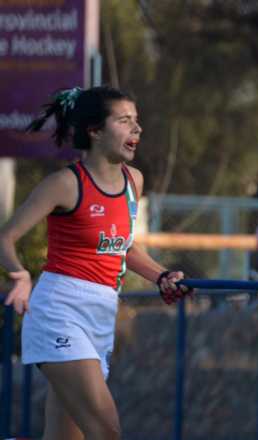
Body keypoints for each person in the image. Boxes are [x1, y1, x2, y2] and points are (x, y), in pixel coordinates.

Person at [0, 86, 192, 440]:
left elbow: (124, 248)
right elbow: (5, 238)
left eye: (136, 120)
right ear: (95, 131)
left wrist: (161, 276)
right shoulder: (65, 183)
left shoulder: (134, 180)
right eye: (124, 120)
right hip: (59, 311)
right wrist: (19, 275)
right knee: (106, 431)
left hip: (101, 313)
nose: (137, 129)